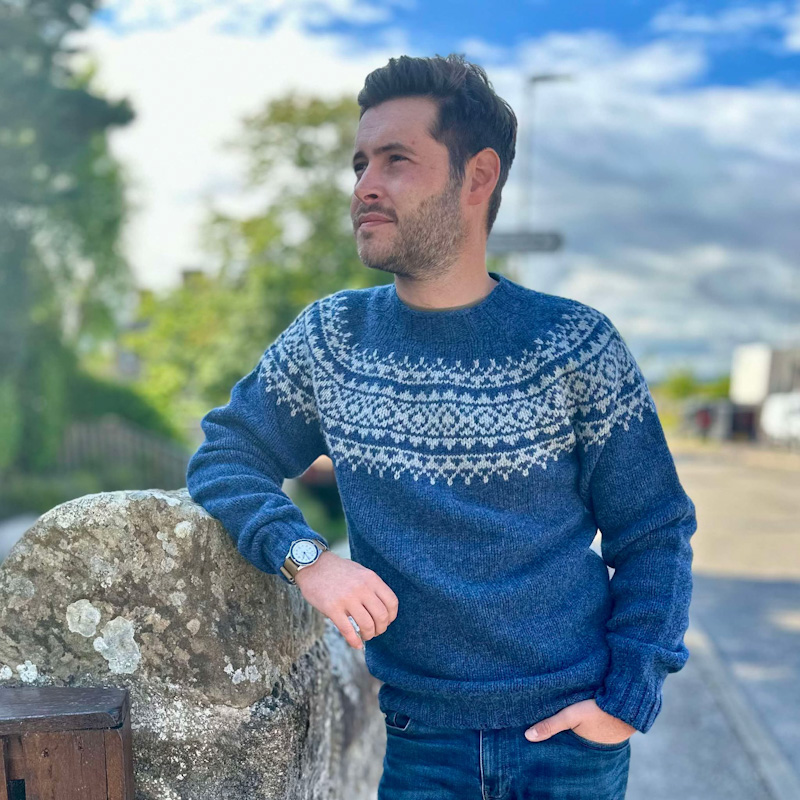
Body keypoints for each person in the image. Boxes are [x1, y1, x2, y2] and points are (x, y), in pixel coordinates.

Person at [186, 53, 697, 800]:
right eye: (360, 163)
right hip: (421, 744)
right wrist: (307, 557)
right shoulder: (334, 339)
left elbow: (654, 530)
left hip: (569, 748)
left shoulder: (574, 344)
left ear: (478, 176)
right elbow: (228, 452)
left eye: (396, 160)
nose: (365, 185)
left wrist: (628, 700)